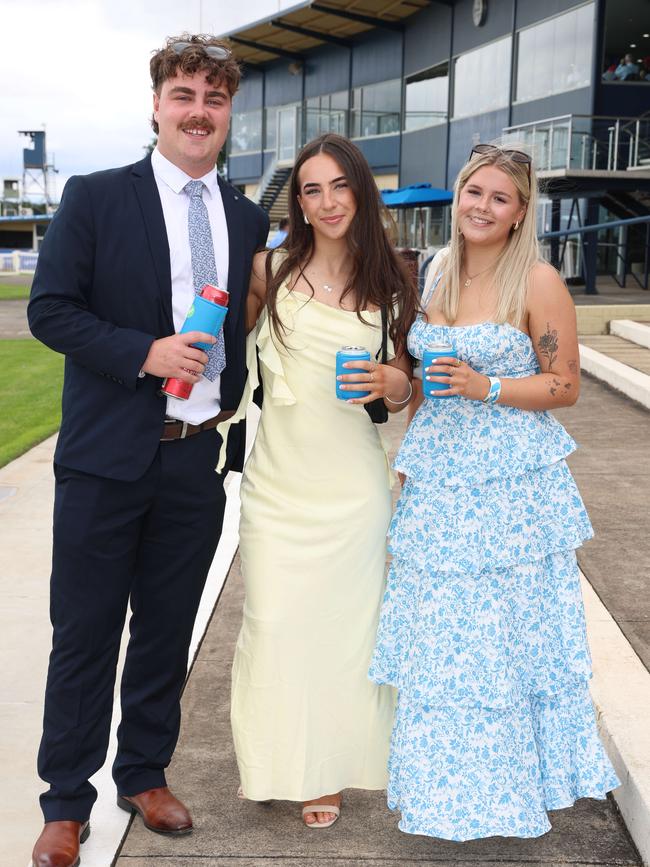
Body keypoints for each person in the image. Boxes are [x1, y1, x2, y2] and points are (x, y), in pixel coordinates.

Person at [28, 34, 268, 867]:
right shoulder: (95, 197)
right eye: (185, 95)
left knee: (167, 628)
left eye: (214, 99)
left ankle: (144, 771)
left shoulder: (246, 216)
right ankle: (66, 799)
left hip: (196, 457)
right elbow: (50, 311)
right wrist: (145, 351)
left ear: (228, 112)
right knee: (85, 630)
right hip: (105, 458)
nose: (199, 112)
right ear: (158, 105)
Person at [369, 142, 619, 841]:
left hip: (509, 492)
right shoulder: (437, 272)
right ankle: (446, 791)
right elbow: (427, 379)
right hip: (441, 481)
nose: (481, 205)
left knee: (497, 641)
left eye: (499, 197)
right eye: (473, 191)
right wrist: (408, 442)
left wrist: (489, 386)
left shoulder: (537, 281)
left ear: (518, 213)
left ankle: (505, 793)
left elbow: (565, 386)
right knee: (445, 641)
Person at [219, 133, 419, 829]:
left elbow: (401, 390)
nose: (327, 201)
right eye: (311, 188)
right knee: (273, 623)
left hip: (354, 488)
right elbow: (221, 360)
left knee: (343, 633)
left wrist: (396, 381)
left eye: (339, 185)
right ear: (297, 201)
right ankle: (276, 760)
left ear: (359, 190)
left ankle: (324, 770)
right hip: (278, 483)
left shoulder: (390, 278)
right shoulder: (264, 270)